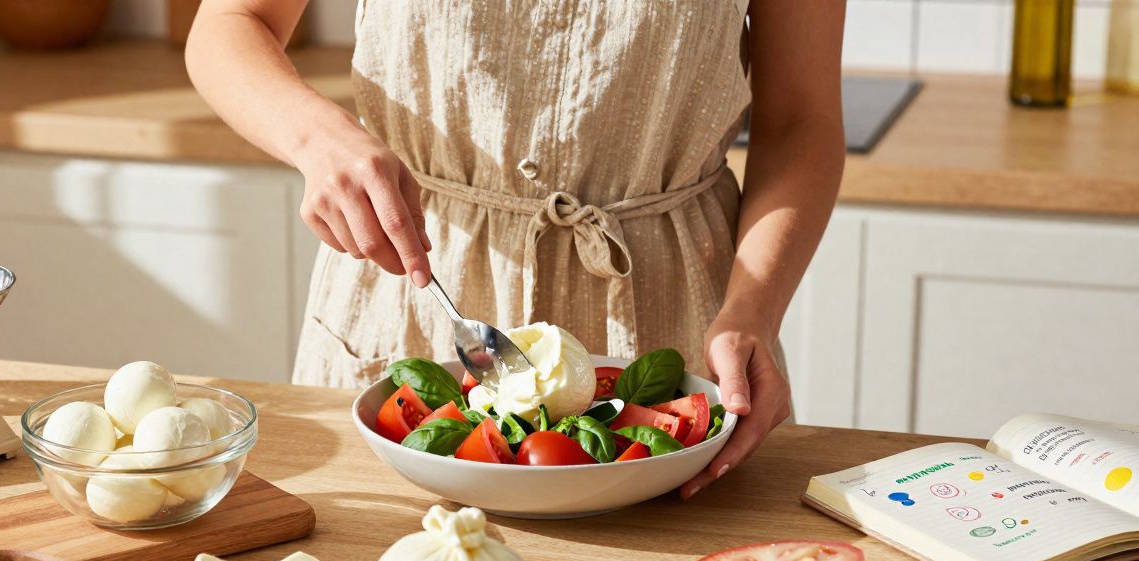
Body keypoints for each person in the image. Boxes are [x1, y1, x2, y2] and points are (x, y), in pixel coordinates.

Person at [186, 1, 846, 498]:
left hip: (672, 319)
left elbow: (801, 119)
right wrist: (313, 137)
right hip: (416, 286)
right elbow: (232, 22)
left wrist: (754, 307)